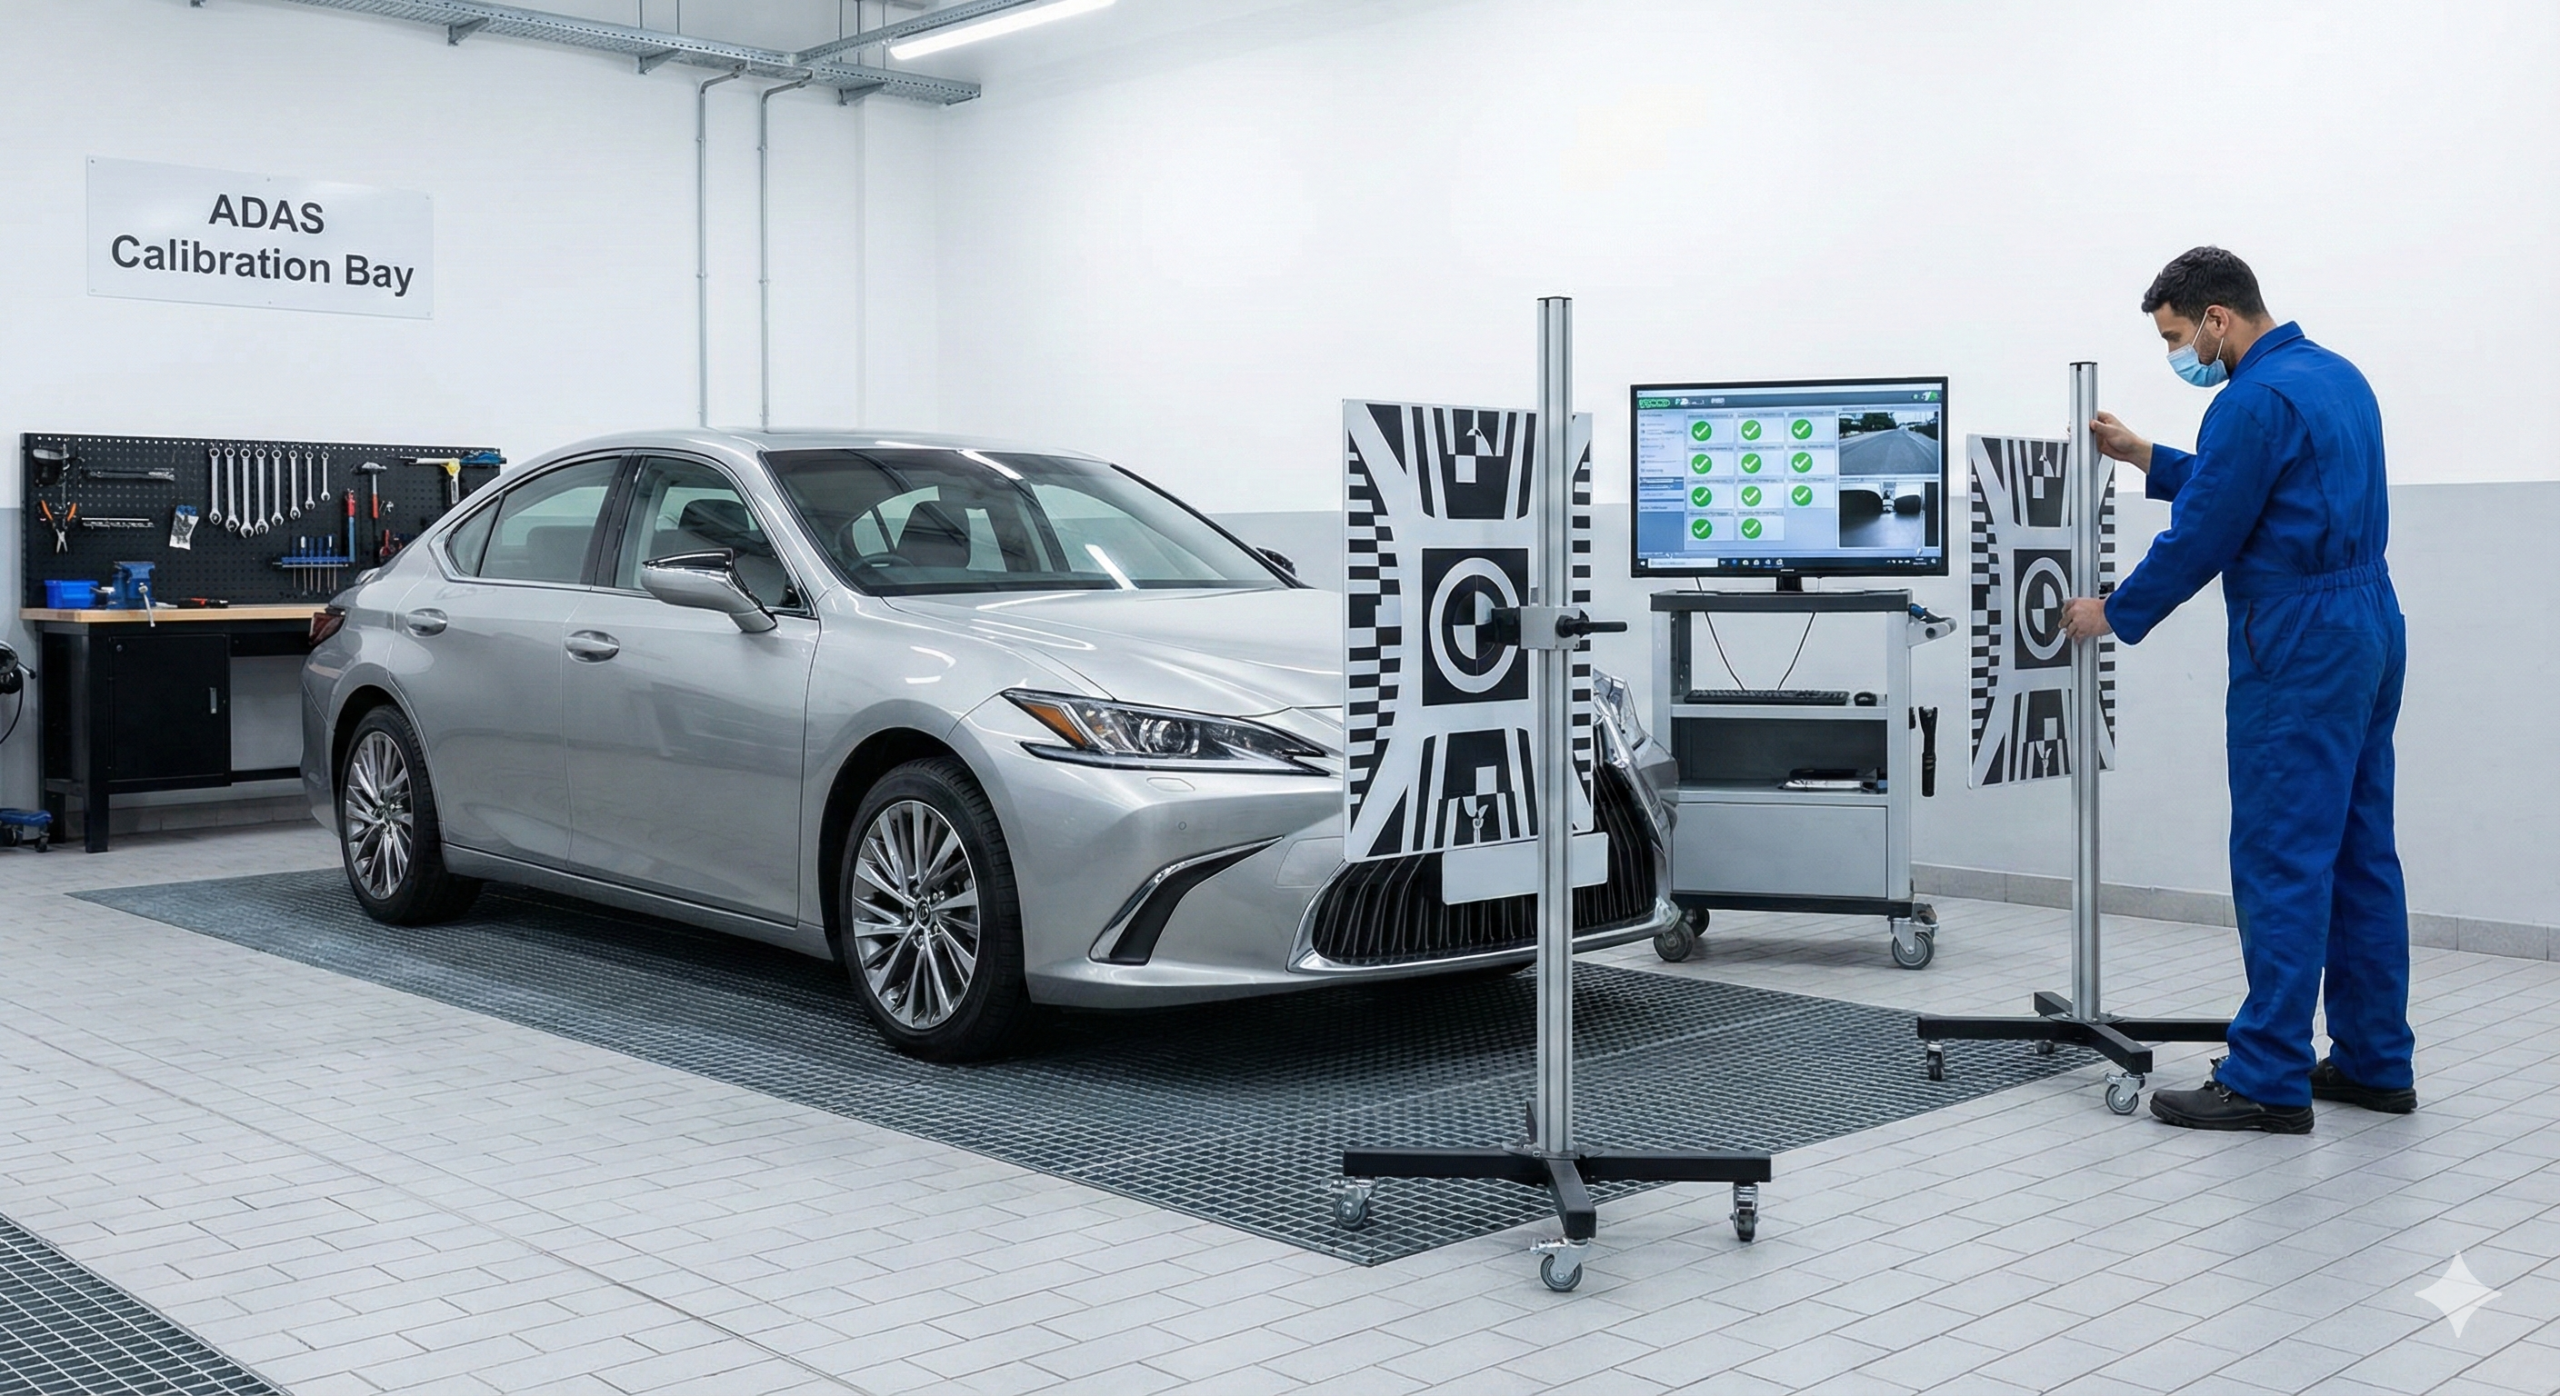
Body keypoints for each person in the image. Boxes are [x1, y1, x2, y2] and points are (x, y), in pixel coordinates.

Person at [2061, 246, 2415, 1133]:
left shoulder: (2247, 402)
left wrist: (2116, 609)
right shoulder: (2336, 376)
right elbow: (2258, 487)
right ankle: (2375, 1062)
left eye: (2179, 336)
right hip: (2369, 622)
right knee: (2360, 851)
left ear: (2217, 317)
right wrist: (2146, 455)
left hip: (2297, 641)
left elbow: (2207, 533)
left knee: (2282, 855)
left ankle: (2265, 1077)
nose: (2181, 354)